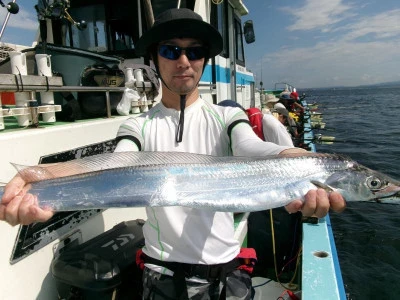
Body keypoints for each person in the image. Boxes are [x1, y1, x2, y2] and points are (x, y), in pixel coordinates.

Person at [0, 8, 345, 300]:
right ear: (154, 58)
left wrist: (289, 155)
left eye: (194, 52)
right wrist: (40, 177)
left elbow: (250, 146)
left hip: (228, 277)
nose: (183, 61)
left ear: (205, 61)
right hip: (160, 279)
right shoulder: (138, 127)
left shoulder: (227, 117)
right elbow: (114, 165)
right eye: (170, 51)